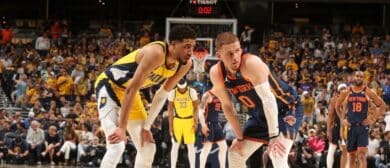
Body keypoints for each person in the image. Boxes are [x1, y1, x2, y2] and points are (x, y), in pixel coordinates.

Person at [95, 25, 196, 168]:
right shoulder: (156, 53)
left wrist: (147, 127)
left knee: (147, 148)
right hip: (109, 86)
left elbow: (162, 94)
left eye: (192, 47)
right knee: (117, 145)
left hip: (131, 93)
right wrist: (122, 128)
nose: (190, 52)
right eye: (186, 46)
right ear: (173, 45)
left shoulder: (184, 64)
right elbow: (131, 88)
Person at [208, 32, 286, 168]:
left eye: (237, 51)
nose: (235, 57)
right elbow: (227, 106)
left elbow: (269, 99)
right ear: (219, 55)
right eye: (229, 54)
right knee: (235, 154)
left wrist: (273, 136)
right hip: (260, 115)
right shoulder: (217, 73)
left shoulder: (250, 63)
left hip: (285, 108)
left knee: (277, 155)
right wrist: (239, 138)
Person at [336, 71, 386, 168]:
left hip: (363, 127)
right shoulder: (346, 91)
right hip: (351, 128)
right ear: (353, 77)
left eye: (361, 77)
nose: (359, 78)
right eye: (357, 76)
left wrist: (373, 119)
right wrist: (342, 119)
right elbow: (337, 106)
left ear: (363, 79)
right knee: (352, 155)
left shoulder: (368, 91)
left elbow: (382, 105)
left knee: (362, 155)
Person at [167, 79, 198, 168]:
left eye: (183, 87)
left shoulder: (192, 92)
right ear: (177, 86)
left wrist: (196, 122)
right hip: (177, 120)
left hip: (189, 120)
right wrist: (170, 125)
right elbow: (170, 110)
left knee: (190, 146)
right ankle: (173, 166)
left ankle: (193, 166)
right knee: (175, 145)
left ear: (186, 85)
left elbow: (196, 107)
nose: (182, 89)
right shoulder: (173, 93)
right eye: (181, 88)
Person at [198, 87, 228, 168]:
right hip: (208, 123)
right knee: (207, 148)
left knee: (223, 146)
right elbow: (200, 111)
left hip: (216, 123)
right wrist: (203, 125)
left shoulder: (220, 94)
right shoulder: (207, 95)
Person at [326, 83, 348, 168]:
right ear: (338, 91)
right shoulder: (334, 100)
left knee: (346, 151)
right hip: (336, 126)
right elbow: (330, 116)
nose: (343, 90)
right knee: (332, 148)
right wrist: (328, 130)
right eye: (341, 89)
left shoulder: (350, 99)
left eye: (344, 88)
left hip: (346, 128)